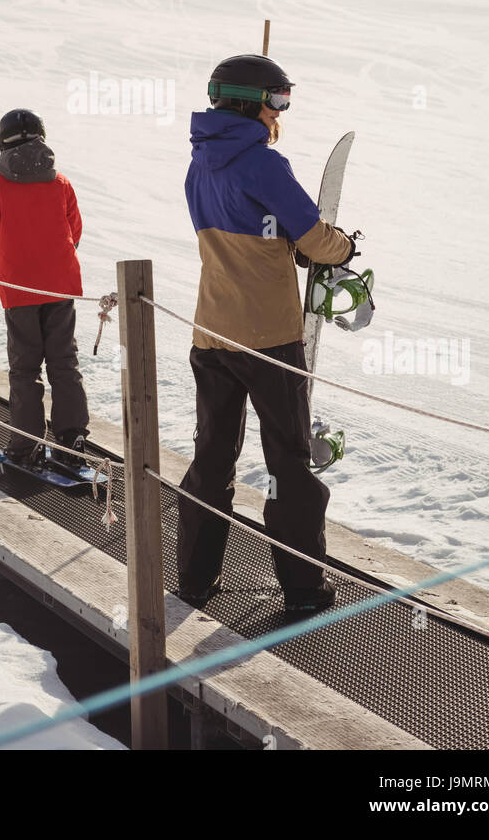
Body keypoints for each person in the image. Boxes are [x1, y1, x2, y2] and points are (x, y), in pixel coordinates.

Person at [177, 54, 357, 617]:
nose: (281, 113)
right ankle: (304, 590)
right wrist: (342, 247)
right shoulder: (263, 164)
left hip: (212, 333)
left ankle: (195, 578)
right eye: (278, 100)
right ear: (250, 102)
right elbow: (312, 236)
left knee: (213, 458)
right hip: (270, 340)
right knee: (288, 465)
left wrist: (286, 244)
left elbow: (259, 234)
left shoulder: (199, 163)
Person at [0, 109, 89, 470]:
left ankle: (26, 444)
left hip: (19, 289)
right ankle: (71, 436)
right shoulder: (61, 183)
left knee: (25, 367)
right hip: (60, 286)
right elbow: (73, 232)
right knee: (64, 361)